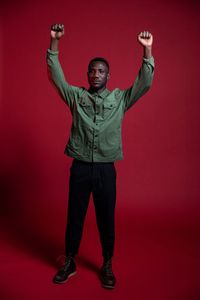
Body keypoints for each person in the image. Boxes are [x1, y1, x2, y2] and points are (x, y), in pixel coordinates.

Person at [46, 23, 154, 289]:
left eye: (101, 71)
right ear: (87, 74)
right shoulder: (76, 96)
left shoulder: (120, 99)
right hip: (80, 168)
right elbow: (55, 76)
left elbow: (145, 82)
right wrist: (55, 43)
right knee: (75, 215)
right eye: (92, 71)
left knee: (106, 217)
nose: (96, 75)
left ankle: (107, 263)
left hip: (106, 170)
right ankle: (69, 260)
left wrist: (147, 50)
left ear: (108, 75)